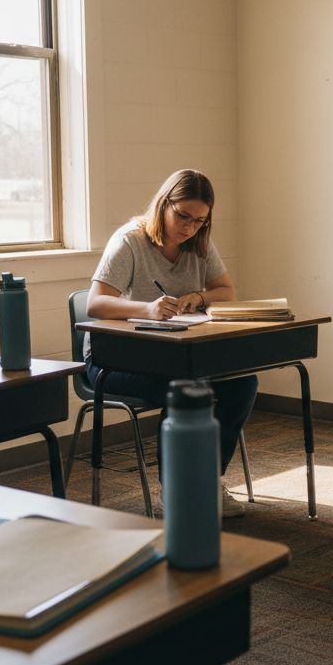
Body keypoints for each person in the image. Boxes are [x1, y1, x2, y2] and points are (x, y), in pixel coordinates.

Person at [85, 168, 256, 518]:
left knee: (243, 383)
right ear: (165, 204)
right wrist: (146, 308)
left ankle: (206, 481)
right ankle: (176, 490)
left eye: (199, 221)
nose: (189, 227)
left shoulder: (199, 245)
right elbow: (95, 304)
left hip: (176, 356)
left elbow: (226, 292)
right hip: (113, 361)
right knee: (186, 390)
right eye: (182, 216)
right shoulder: (130, 241)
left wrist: (197, 295)